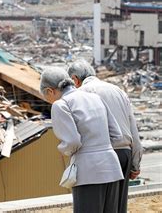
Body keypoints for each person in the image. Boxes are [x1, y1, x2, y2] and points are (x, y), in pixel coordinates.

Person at [40, 67, 124, 213]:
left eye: (47, 97)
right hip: (112, 167)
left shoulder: (61, 105)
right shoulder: (95, 98)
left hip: (88, 171)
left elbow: (72, 142)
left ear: (50, 91)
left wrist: (64, 150)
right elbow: (117, 135)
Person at [68, 60, 143, 213]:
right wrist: (135, 163)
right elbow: (132, 128)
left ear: (75, 79)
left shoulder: (80, 94)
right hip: (124, 154)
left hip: (101, 157)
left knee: (94, 206)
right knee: (118, 208)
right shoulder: (117, 90)